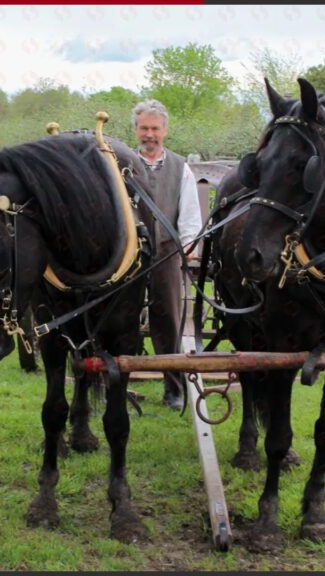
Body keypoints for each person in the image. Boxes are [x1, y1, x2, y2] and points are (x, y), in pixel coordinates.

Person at [131, 99, 202, 410]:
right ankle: (117, 383)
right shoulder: (123, 163)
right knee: (120, 319)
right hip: (128, 255)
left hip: (165, 253)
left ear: (165, 130)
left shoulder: (179, 168)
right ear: (135, 130)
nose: (150, 134)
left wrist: (188, 246)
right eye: (144, 128)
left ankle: (173, 388)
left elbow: (188, 213)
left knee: (169, 321)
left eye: (155, 128)